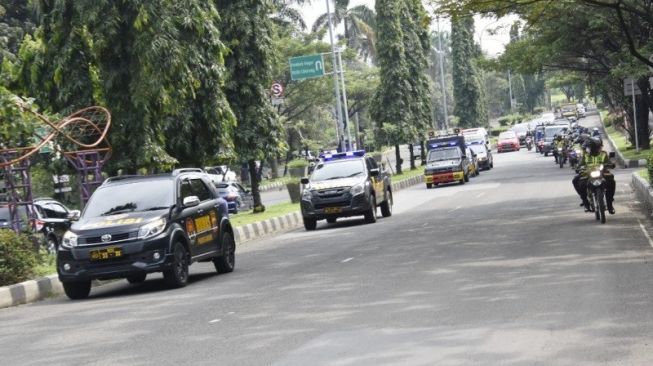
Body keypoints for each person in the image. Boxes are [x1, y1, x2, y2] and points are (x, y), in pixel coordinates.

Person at [572, 137, 616, 214]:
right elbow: (580, 164)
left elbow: (609, 162)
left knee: (611, 181)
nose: (600, 148)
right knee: (577, 181)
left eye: (600, 147)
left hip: (602, 173)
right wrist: (578, 167)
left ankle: (610, 205)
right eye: (599, 147)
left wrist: (611, 165)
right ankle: (585, 202)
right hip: (588, 173)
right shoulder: (585, 155)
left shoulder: (603, 154)